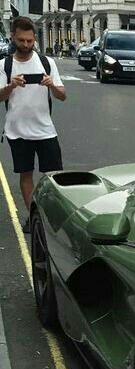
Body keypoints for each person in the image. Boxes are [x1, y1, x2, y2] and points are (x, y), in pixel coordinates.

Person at [0, 17, 66, 233]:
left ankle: (49, 216)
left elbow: (62, 96)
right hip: (17, 131)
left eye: (30, 41)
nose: (26, 45)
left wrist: (51, 85)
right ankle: (34, 217)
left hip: (45, 130)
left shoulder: (47, 63)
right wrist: (11, 85)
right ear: (13, 37)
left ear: (34, 38)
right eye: (21, 40)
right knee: (26, 175)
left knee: (54, 178)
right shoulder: (5, 65)